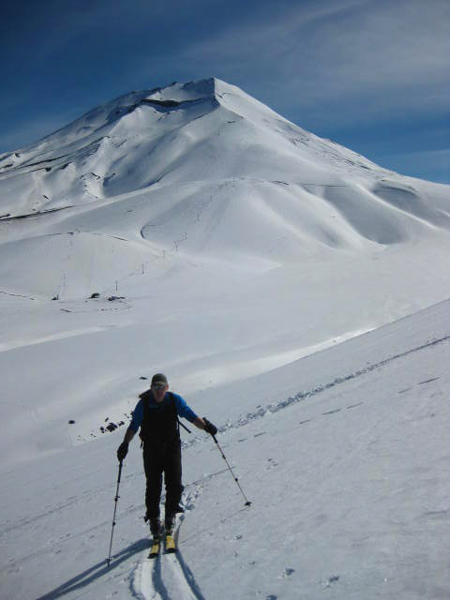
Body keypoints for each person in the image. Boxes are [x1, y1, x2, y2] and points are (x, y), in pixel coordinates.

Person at [117, 373, 217, 538]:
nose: (159, 391)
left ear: (167, 388)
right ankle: (154, 519)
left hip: (171, 448)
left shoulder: (174, 400)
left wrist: (206, 427)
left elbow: (190, 416)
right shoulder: (143, 405)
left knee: (174, 483)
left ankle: (170, 514)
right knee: (153, 486)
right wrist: (125, 444)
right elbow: (134, 425)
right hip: (151, 450)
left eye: (161, 387)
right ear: (151, 388)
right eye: (156, 387)